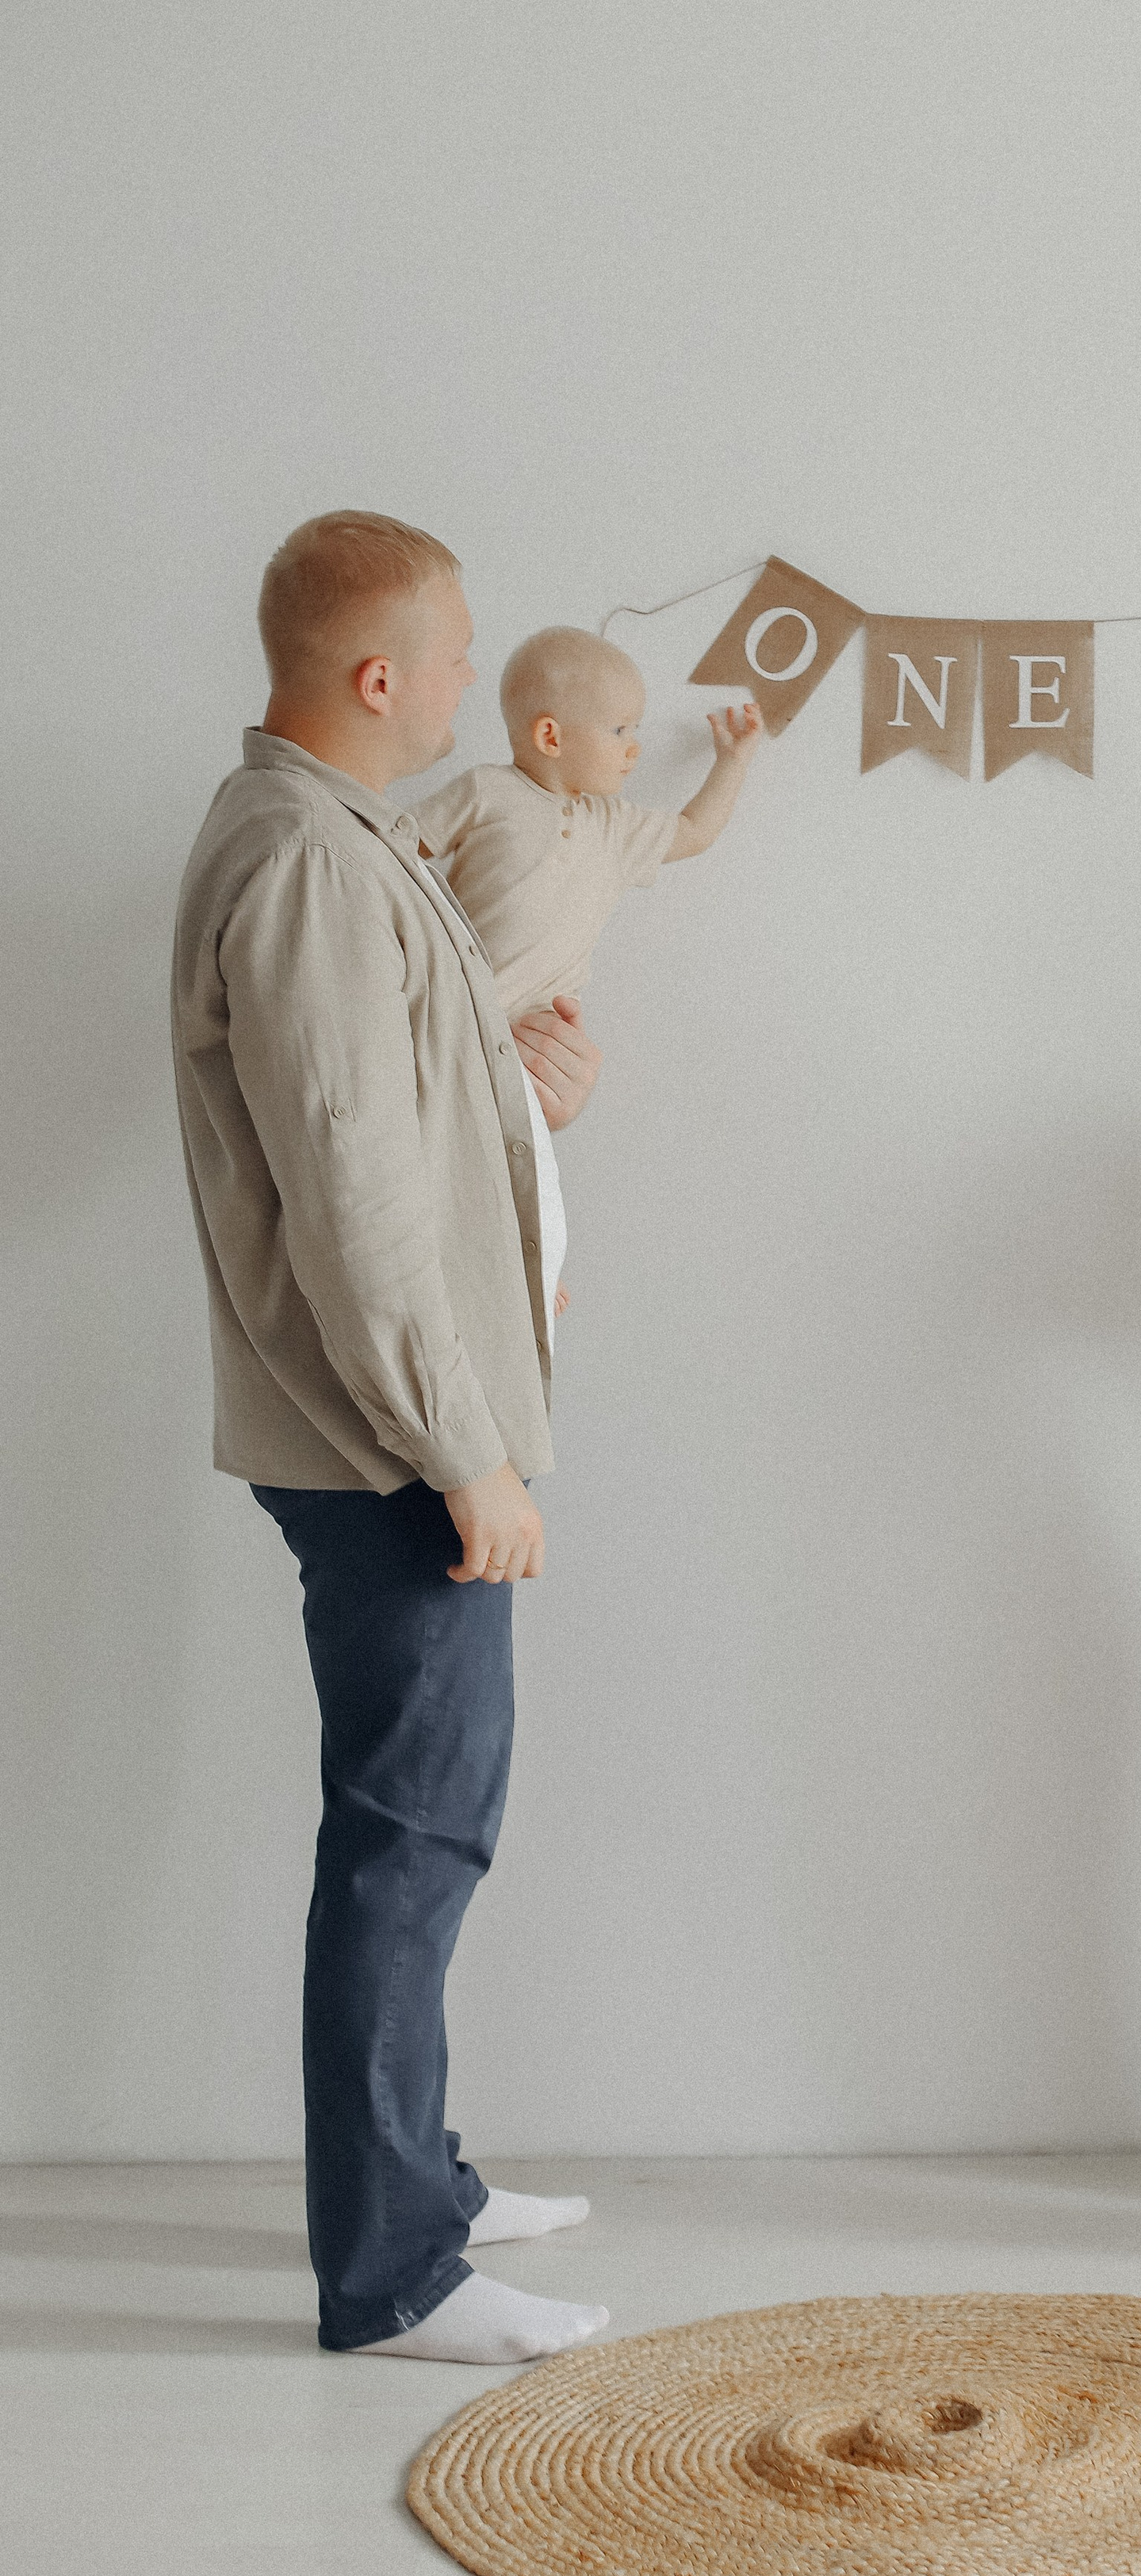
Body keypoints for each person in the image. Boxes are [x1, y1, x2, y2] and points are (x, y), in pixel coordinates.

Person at [172, 511, 611, 2363]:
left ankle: (413, 2171)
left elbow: (392, 1107)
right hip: (387, 1449)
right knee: (409, 1840)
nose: (465, 685)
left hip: (396, 1431)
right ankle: (395, 2270)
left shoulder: (337, 843)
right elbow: (348, 1196)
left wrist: (520, 1095)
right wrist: (463, 1450)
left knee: (422, 1827)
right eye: (448, 654)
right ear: (377, 678)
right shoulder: (301, 858)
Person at [412, 625, 764, 1023]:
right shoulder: (485, 791)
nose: (635, 747)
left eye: (635, 729)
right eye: (618, 730)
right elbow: (395, 852)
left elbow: (695, 832)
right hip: (446, 1012)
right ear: (551, 737)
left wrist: (732, 764)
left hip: (534, 1039)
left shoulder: (614, 826)